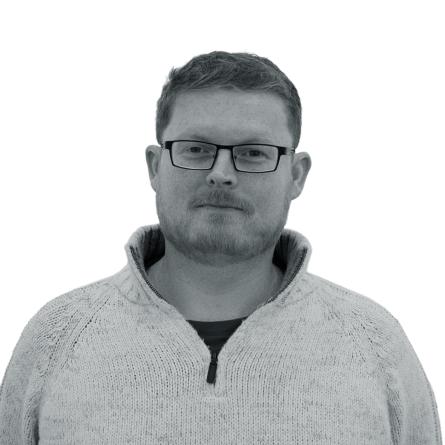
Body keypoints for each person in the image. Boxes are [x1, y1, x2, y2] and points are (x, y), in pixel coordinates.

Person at [0, 51, 442, 444]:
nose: (221, 173)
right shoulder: (55, 341)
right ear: (155, 167)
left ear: (297, 175)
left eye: (253, 153)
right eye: (196, 149)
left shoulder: (377, 347)